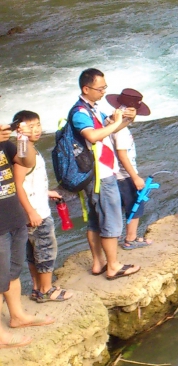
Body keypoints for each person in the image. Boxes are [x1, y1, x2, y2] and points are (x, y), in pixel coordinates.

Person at [70, 68, 140, 278]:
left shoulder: (92, 110)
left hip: (94, 173)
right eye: (100, 88)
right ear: (86, 88)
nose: (103, 92)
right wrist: (117, 123)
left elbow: (111, 128)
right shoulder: (80, 113)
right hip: (100, 175)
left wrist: (126, 120)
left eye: (104, 88)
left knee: (94, 219)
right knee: (110, 217)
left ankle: (98, 263)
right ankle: (113, 266)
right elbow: (92, 136)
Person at [1, 118, 53, 347]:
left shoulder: (5, 143)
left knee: (13, 272)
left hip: (14, 217)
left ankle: (17, 316)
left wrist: (22, 140)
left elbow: (27, 160)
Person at [9, 112, 71, 304]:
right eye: (30, 126)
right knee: (45, 251)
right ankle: (46, 290)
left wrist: (46, 192)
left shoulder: (28, 151)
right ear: (20, 129)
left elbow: (28, 182)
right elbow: (17, 185)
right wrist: (31, 211)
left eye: (38, 125)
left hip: (33, 208)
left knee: (34, 252)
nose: (36, 129)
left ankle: (37, 289)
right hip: (36, 214)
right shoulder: (23, 153)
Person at [107, 87, 154, 249]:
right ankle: (131, 238)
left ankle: (122, 236)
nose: (135, 115)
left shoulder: (110, 125)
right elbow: (122, 155)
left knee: (122, 206)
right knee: (135, 204)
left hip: (115, 174)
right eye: (133, 110)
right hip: (124, 175)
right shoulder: (121, 132)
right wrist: (135, 177)